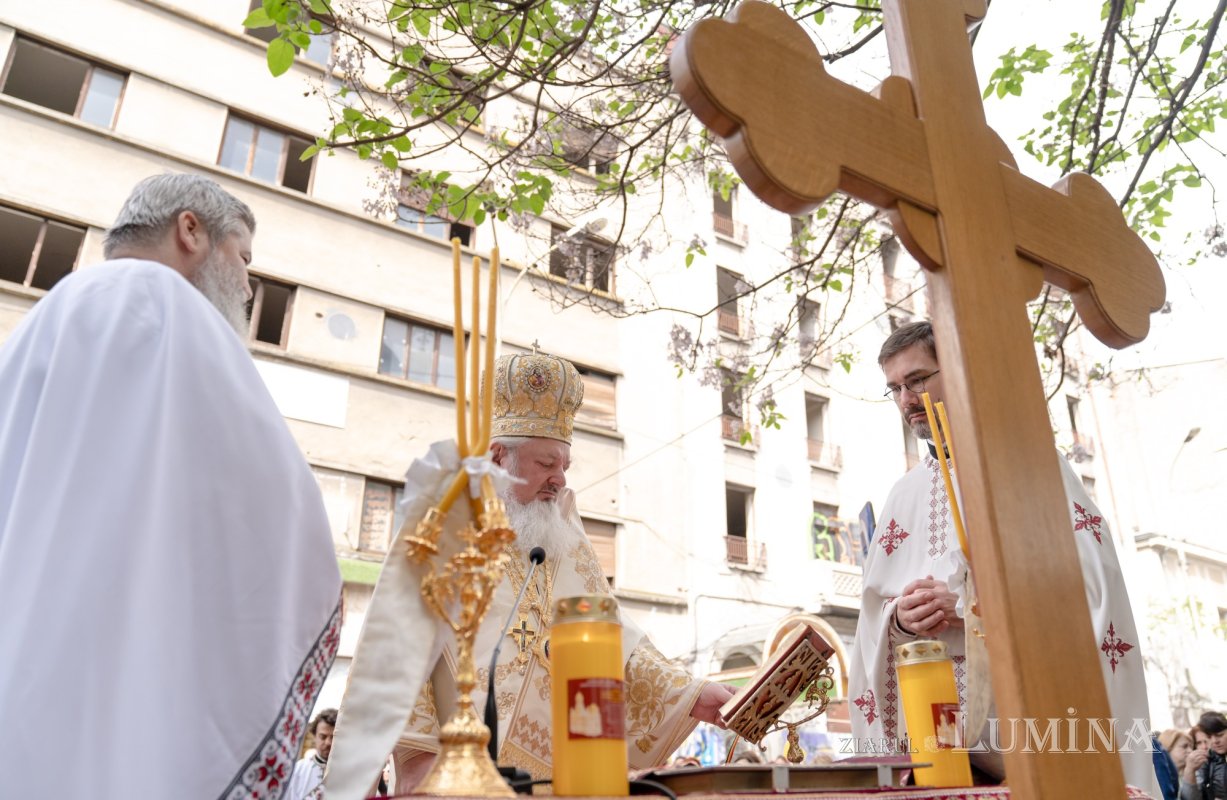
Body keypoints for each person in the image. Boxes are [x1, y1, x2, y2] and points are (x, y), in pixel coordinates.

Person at [0, 173, 342, 798]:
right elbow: (273, 498)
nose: (245, 285)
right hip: (121, 665)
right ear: (191, 231)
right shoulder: (168, 308)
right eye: (243, 259)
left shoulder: (46, 316)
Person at [392, 351, 735, 790]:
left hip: (560, 775)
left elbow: (612, 636)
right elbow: (402, 646)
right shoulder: (440, 527)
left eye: (565, 467)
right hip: (455, 773)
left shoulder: (560, 533)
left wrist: (690, 695)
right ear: (498, 457)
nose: (559, 480)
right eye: (546, 464)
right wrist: (416, 755)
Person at [847, 321, 1158, 795]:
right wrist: (903, 620)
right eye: (894, 388)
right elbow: (875, 616)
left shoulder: (1027, 462)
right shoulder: (903, 495)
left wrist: (974, 609)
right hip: (942, 747)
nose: (907, 400)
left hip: (1039, 734)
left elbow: (1090, 587)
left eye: (918, 380)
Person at [288, 709, 338, 800]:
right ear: (314, 736)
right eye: (323, 736)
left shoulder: (350, 774)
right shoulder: (297, 770)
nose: (328, 743)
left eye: (334, 737)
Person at [1181, 711, 1227, 799]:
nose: (1215, 741)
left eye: (1220, 735)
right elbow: (1192, 798)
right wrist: (1189, 770)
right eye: (1209, 737)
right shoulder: (1208, 760)